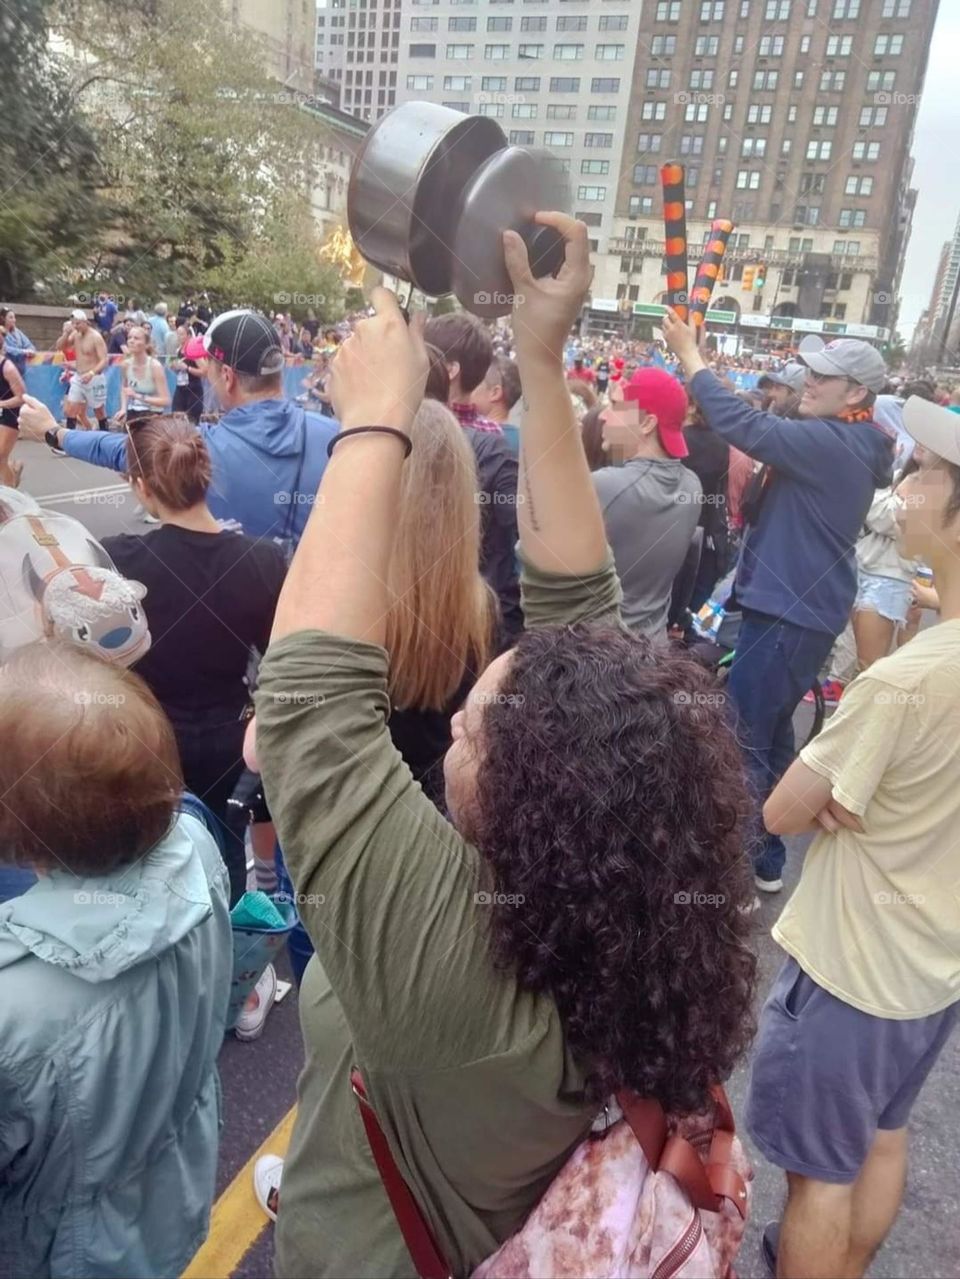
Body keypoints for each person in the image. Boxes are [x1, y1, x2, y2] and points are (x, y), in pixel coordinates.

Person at [250, 217, 757, 1277]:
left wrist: (375, 425)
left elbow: (310, 711)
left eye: (473, 725)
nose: (453, 736)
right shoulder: (624, 899)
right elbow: (585, 618)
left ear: (535, 798)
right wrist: (539, 355)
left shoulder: (465, 979)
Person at [748, 394, 960, 1279]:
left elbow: (781, 810)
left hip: (855, 966)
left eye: (926, 474)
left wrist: (832, 791)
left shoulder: (908, 679)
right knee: (880, 1137)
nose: (906, 486)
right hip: (931, 966)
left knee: (817, 1176)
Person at [0, 643, 232, 1278]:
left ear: (15, 836)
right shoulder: (199, 846)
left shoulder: (13, 1008)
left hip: (64, 1253)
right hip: (172, 1191)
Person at [663, 316, 894, 893]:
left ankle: (729, 875)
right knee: (770, 734)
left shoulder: (834, 442)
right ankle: (765, 860)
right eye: (810, 370)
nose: (809, 381)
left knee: (741, 737)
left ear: (857, 394)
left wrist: (691, 356)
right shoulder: (846, 438)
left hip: (791, 614)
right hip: (793, 611)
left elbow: (741, 422)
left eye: (826, 376)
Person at [101, 416, 286, 906]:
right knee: (224, 863)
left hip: (148, 738)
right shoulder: (262, 560)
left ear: (142, 487)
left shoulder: (119, 559)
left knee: (151, 865)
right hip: (229, 738)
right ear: (205, 475)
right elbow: (286, 661)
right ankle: (229, 962)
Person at [24, 310, 338, 550]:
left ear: (226, 376)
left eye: (209, 369)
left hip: (239, 620)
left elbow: (114, 448)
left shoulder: (197, 447)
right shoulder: (340, 438)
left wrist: (54, 431)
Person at [425, 312, 522, 646]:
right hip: (471, 623)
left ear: (450, 371)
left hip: (452, 622)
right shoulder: (501, 443)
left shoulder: (495, 449)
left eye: (423, 355)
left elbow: (510, 542)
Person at [591, 367, 701, 637]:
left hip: (597, 655)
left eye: (616, 406)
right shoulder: (693, 486)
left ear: (646, 424)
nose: (603, 416)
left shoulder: (604, 485)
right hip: (652, 650)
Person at [56, 309, 110, 430]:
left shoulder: (95, 337)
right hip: (79, 376)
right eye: (74, 324)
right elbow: (60, 347)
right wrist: (65, 334)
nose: (76, 326)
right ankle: (69, 438)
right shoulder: (75, 335)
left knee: (99, 410)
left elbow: (104, 360)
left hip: (94, 377)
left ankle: (105, 435)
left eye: (78, 323)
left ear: (85, 322)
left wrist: (92, 373)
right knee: (71, 409)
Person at [119, 324, 171, 427]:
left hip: (152, 416)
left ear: (146, 344)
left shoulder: (155, 366)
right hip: (132, 414)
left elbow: (166, 400)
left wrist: (138, 396)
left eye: (136, 338)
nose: (131, 341)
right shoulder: (126, 364)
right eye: (129, 338)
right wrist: (123, 409)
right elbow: (124, 388)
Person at [0, 347, 25, 486]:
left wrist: (1, 404)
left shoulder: (7, 368)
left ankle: (11, 497)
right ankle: (13, 470)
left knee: (0, 458)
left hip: (10, 414)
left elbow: (21, 397)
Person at [171, 327, 206, 423]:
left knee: (192, 420)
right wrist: (174, 367)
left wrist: (187, 368)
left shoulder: (193, 351)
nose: (179, 337)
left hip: (193, 388)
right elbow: (178, 369)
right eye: (177, 334)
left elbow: (204, 371)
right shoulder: (178, 350)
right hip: (180, 387)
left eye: (181, 334)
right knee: (176, 416)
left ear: (189, 336)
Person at [1, 309, 35, 375]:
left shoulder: (17, 332)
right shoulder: (1, 332)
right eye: (11, 317)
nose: (14, 320)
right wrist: (23, 352)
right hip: (5, 369)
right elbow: (5, 348)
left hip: (20, 370)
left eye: (14, 317)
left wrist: (31, 350)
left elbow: (28, 344)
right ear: (3, 319)